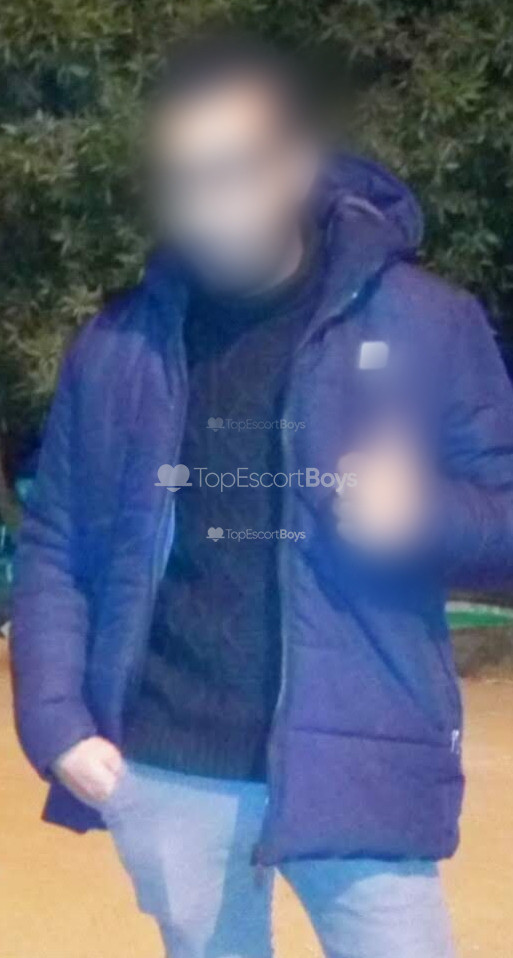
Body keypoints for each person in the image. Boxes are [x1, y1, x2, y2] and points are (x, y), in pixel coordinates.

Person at [11, 31, 513, 958]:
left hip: (360, 758)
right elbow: (57, 542)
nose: (212, 206)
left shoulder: (429, 323)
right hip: (168, 767)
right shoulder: (117, 347)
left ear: (294, 165)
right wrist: (54, 720)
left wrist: (427, 515)